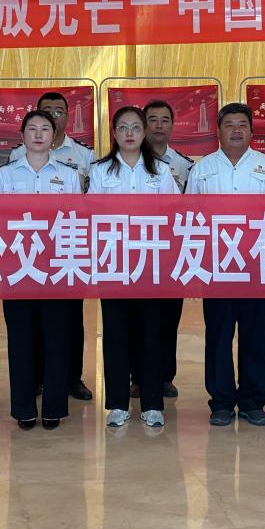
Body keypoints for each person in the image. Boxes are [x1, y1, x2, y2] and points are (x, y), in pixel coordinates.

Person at [187, 102, 265, 427]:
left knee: (256, 334)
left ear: (251, 132)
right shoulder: (202, 169)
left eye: (242, 125)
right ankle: (220, 402)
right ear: (218, 131)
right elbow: (189, 219)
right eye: (229, 124)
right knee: (218, 334)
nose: (236, 130)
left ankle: (252, 402)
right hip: (215, 265)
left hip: (257, 264)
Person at [89, 106, 178, 429]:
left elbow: (172, 214)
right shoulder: (100, 171)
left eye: (136, 127)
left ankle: (152, 403)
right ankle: (117, 403)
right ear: (114, 133)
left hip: (150, 262)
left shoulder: (161, 172)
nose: (129, 133)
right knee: (116, 334)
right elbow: (92, 215)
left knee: (151, 333)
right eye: (123, 127)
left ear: (144, 133)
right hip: (113, 262)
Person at [0, 110, 82, 429]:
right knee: (21, 339)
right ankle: (23, 408)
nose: (39, 134)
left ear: (54, 136)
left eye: (46, 129)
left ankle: (54, 407)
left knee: (57, 339)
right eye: (32, 128)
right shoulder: (5, 176)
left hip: (57, 266)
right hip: (18, 267)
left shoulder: (68, 175)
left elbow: (76, 220)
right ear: (22, 135)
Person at [9, 91, 95, 401]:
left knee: (68, 320)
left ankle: (71, 378)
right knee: (28, 322)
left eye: (58, 113)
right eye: (44, 115)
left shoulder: (83, 157)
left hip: (63, 253)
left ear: (65, 118)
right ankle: (34, 379)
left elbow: (83, 207)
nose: (43, 129)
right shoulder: (13, 161)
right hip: (22, 253)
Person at [140, 99, 194, 399]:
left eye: (165, 120)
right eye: (153, 119)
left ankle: (164, 376)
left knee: (168, 316)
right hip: (136, 250)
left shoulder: (185, 165)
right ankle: (137, 376)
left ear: (173, 125)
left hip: (172, 251)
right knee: (136, 316)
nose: (159, 125)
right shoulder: (130, 161)